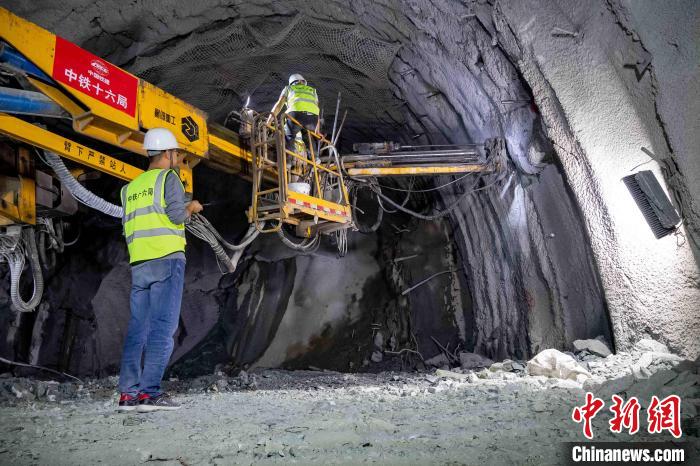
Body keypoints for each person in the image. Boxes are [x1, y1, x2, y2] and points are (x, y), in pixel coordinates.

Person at [117, 127, 203, 413]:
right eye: (176, 153)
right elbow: (177, 216)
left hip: (139, 264)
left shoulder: (129, 189)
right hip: (166, 260)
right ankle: (149, 394)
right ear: (168, 153)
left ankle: (128, 395)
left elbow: (128, 226)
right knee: (163, 329)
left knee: (137, 329)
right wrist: (192, 207)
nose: (177, 157)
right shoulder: (168, 178)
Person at [268, 73, 320, 147]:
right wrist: (317, 130)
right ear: (303, 81)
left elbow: (278, 105)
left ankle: (289, 153)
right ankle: (315, 154)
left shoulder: (289, 88)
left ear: (292, 82)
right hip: (312, 118)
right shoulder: (312, 91)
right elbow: (317, 109)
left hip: (296, 115)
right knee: (309, 140)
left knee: (289, 137)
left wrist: (269, 121)